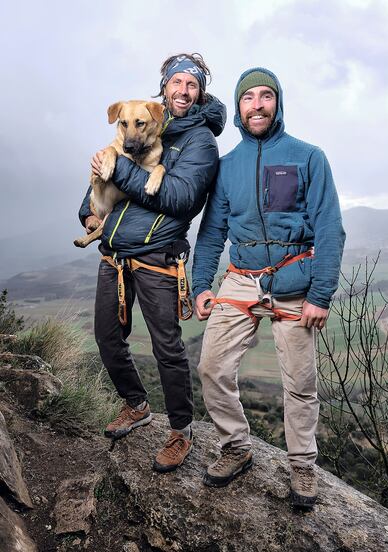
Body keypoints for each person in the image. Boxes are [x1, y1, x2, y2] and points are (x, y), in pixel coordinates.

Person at [192, 67, 345, 507]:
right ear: (239, 107)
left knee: (299, 381)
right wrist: (203, 284)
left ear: (277, 102)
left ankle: (302, 467)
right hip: (241, 279)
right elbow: (211, 233)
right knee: (212, 368)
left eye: (265, 96)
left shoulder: (308, 157)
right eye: (248, 98)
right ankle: (237, 447)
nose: (256, 104)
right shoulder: (227, 167)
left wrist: (320, 294)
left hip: (295, 278)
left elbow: (331, 229)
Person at [78, 53, 226, 473]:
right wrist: (88, 215)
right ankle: (136, 404)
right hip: (115, 254)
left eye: (191, 85)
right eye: (176, 81)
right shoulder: (134, 122)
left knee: (167, 349)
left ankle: (181, 429)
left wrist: (122, 171)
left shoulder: (201, 142)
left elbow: (180, 199)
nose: (183, 90)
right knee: (107, 338)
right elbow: (101, 173)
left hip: (159, 258)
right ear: (164, 88)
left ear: (199, 93)